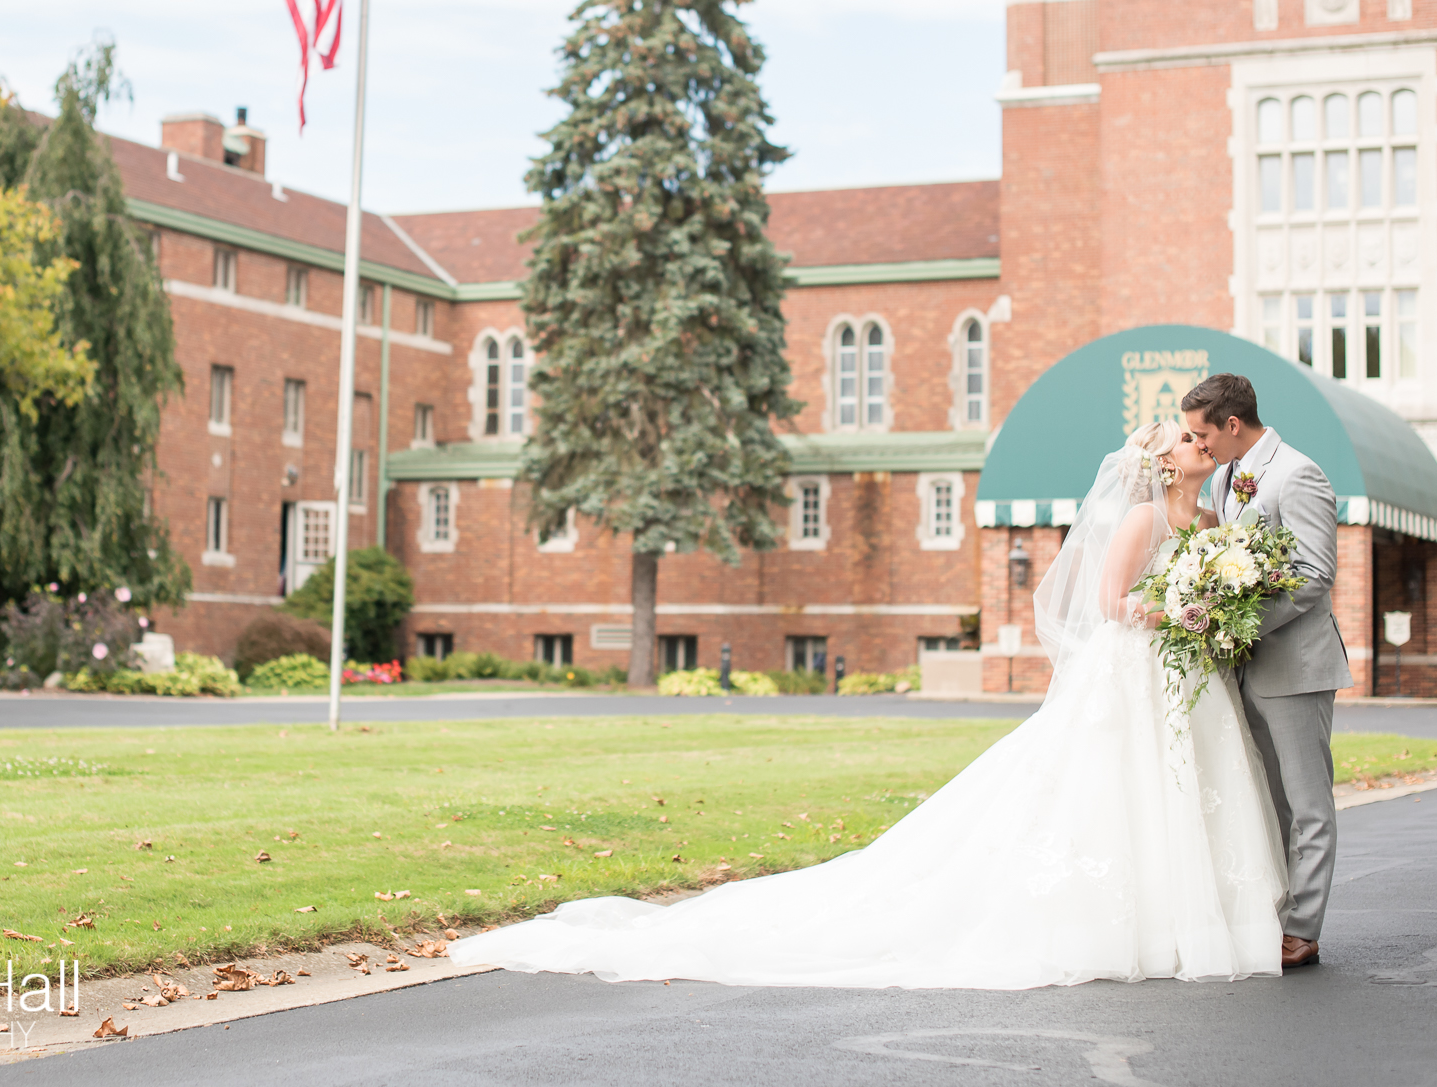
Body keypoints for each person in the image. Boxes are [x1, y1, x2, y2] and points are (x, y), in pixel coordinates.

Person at [448, 419, 1288, 989]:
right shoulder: (1141, 518)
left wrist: (1207, 607)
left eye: (1195, 433)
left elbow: (1200, 582)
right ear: (1161, 459)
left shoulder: (1209, 513)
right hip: (1130, 667)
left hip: (1177, 676)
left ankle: (1185, 918)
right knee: (1107, 791)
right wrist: (1171, 608)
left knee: (1178, 791)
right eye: (1182, 436)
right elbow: (1110, 603)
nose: (1195, 441)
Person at [1182, 373, 1350, 970]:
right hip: (1244, 669)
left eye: (1204, 435)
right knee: (1266, 802)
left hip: (1297, 664)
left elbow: (1312, 573)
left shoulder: (1297, 473)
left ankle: (1302, 928)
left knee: (1307, 806)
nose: (1200, 446)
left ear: (1233, 425)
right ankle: (1271, 914)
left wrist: (1237, 622)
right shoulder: (1227, 476)